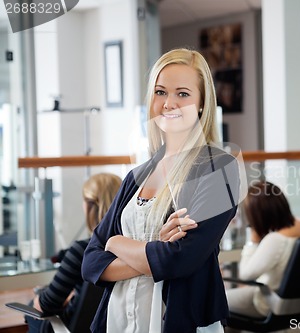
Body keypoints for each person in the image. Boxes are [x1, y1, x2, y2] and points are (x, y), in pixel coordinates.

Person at [82, 48, 241, 333]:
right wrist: (156, 249)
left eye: (182, 93)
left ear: (202, 103)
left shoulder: (219, 169)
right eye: (160, 92)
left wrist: (117, 243)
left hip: (177, 320)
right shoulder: (137, 176)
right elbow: (91, 260)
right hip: (120, 320)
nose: (169, 103)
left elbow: (180, 260)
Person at [26, 172, 122, 333]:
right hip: (110, 327)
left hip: (70, 328)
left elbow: (46, 305)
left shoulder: (82, 251)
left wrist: (38, 299)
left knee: (31, 310)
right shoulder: (130, 250)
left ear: (90, 206)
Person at [225, 181, 300, 319]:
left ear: (259, 216)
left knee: (216, 303)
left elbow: (245, 274)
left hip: (268, 302)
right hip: (299, 301)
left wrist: (252, 241)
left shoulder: (275, 240)